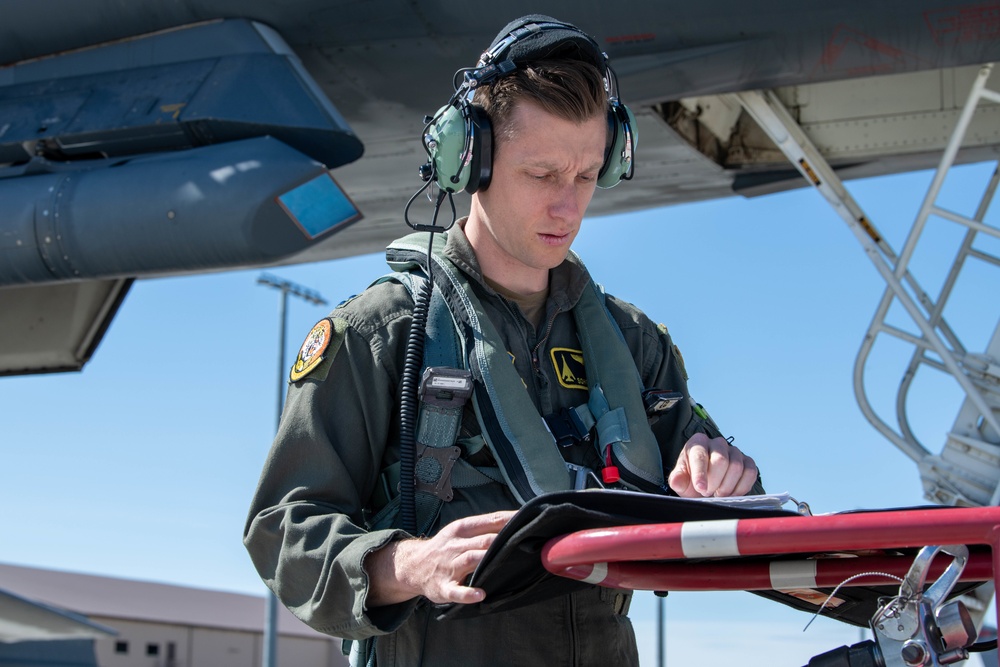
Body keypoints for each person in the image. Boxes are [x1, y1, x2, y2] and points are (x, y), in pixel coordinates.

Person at [244, 14, 761, 666]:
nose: (567, 206)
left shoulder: (633, 346)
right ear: (472, 161)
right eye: (542, 174)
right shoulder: (384, 336)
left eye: (585, 175)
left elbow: (712, 471)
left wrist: (722, 470)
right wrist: (408, 561)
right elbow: (283, 530)